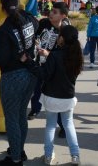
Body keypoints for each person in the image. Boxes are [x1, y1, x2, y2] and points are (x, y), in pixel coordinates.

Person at [0, 0, 38, 166]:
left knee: (12, 119)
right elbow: (37, 26)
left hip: (12, 77)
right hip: (30, 75)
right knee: (21, 114)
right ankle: (19, 151)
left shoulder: (4, 30)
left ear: (2, 7)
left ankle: (15, 159)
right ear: (19, 2)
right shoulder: (30, 19)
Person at [24, 25, 83, 166]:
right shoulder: (76, 55)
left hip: (51, 97)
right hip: (68, 97)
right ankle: (75, 156)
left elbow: (44, 74)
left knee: (50, 126)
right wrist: (49, 56)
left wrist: (29, 62)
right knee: (69, 125)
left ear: (62, 38)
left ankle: (48, 156)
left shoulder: (55, 55)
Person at [28, 2, 70, 138]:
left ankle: (63, 125)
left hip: (55, 70)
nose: (51, 13)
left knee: (55, 98)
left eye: (55, 12)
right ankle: (35, 110)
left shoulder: (65, 31)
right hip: (39, 64)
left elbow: (67, 54)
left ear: (63, 16)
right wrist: (35, 42)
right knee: (36, 90)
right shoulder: (44, 23)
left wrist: (49, 54)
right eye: (52, 11)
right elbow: (35, 35)